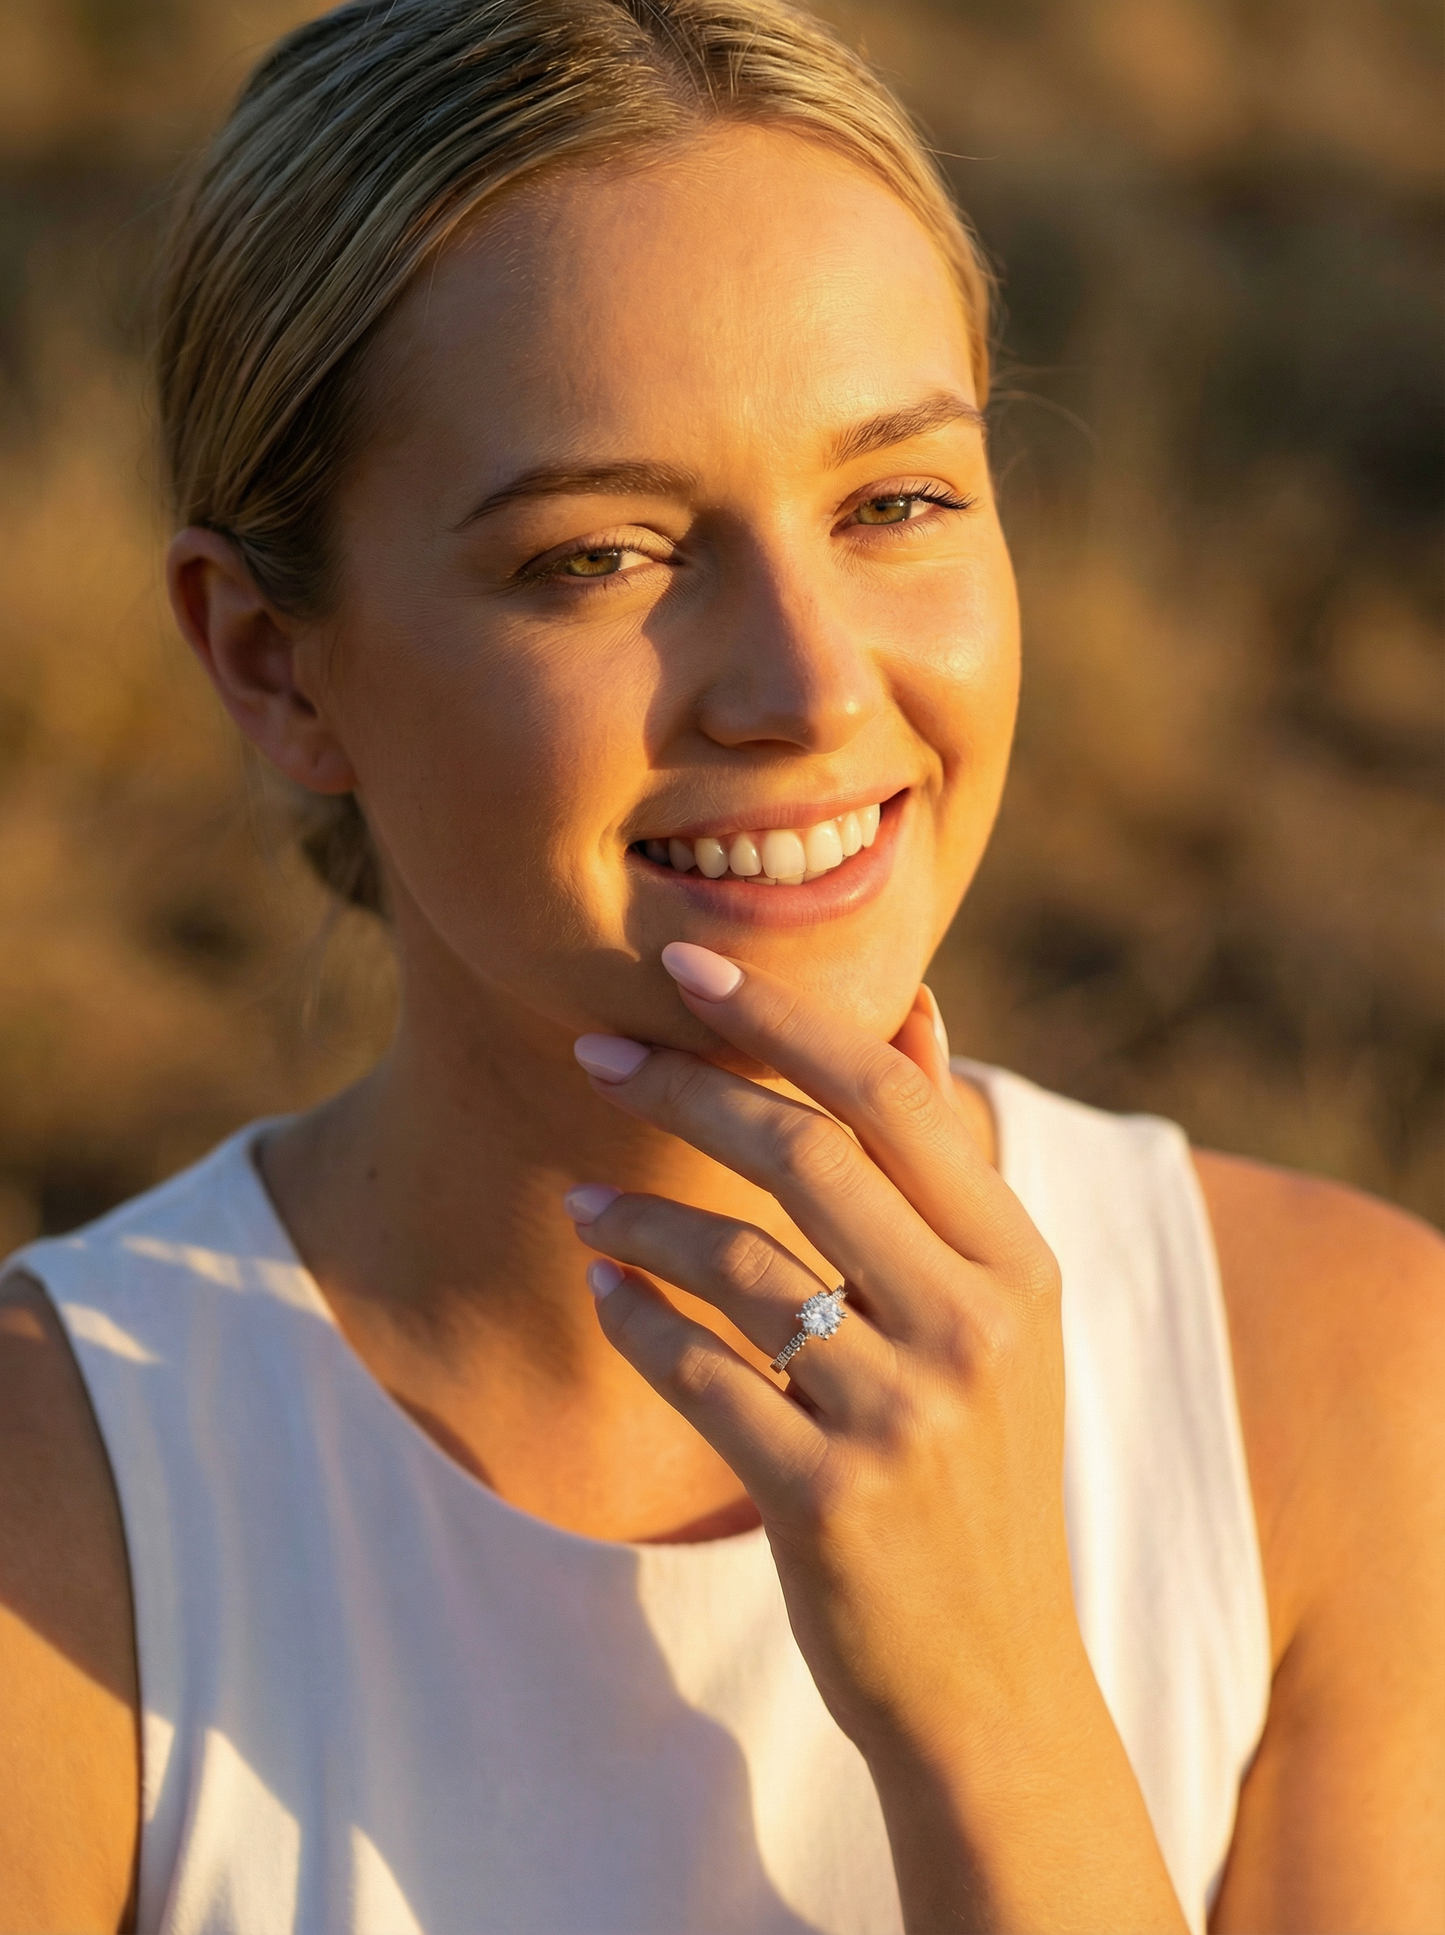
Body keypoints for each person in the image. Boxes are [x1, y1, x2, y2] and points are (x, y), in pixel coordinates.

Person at [1, 1, 1440, 1929]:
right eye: (601, 553)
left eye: (897, 502)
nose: (814, 685)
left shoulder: (1343, 1382)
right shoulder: (61, 1498)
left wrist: (1000, 1713)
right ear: (271, 660)